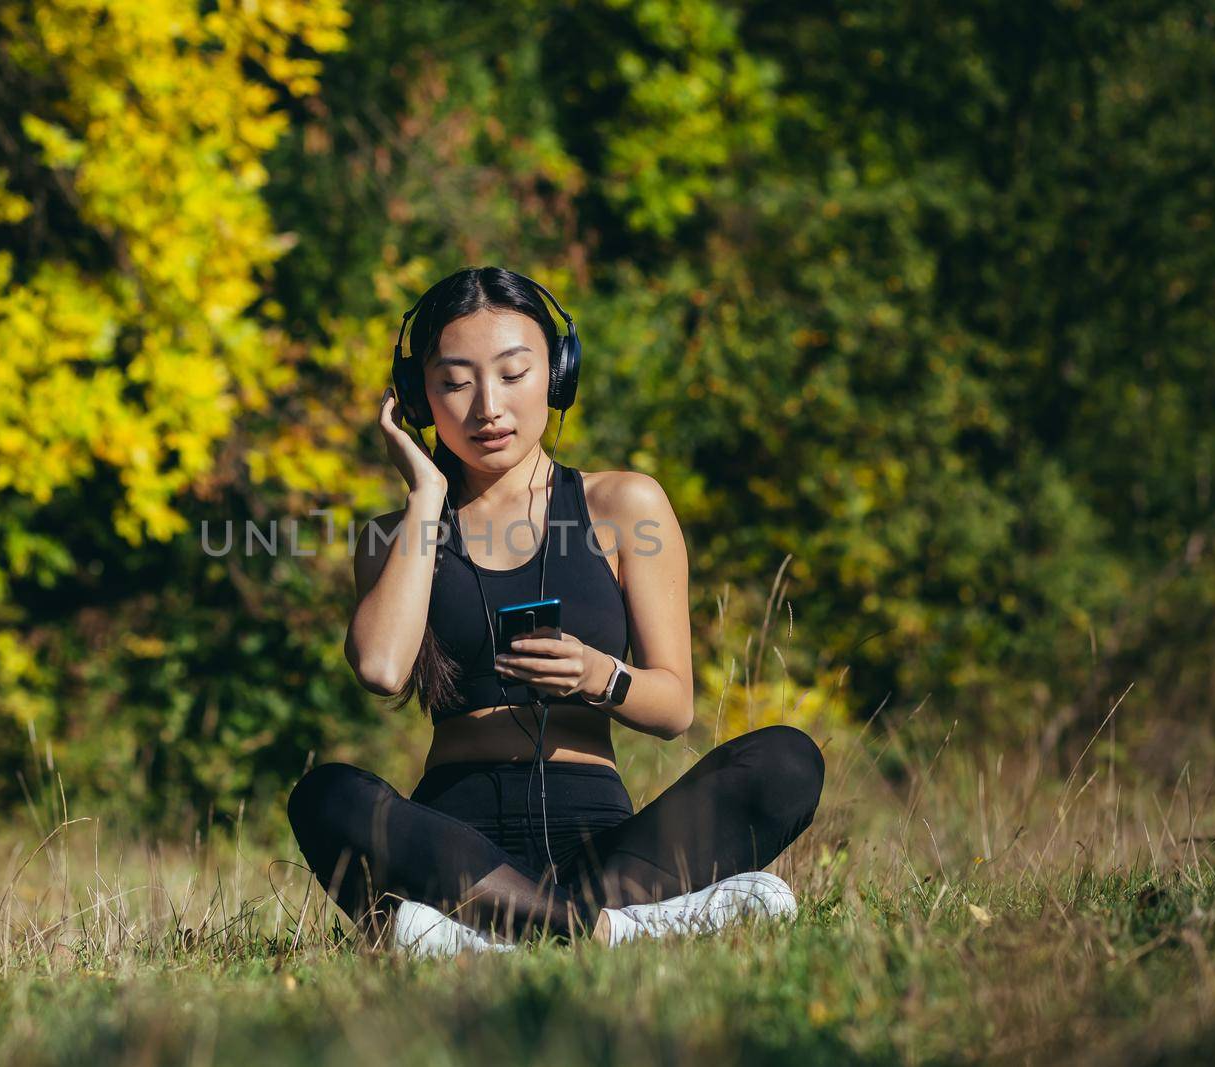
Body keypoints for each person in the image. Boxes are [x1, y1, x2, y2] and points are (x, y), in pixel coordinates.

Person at [286, 266, 824, 951]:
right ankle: (607, 931)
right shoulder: (394, 535)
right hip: (456, 846)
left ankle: (484, 934)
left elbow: (675, 707)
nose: (488, 406)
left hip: (605, 846)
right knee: (325, 794)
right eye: (454, 382)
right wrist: (424, 494)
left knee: (787, 758)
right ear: (418, 398)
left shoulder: (626, 505)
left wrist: (600, 674)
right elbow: (381, 668)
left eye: (514, 373)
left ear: (558, 374)